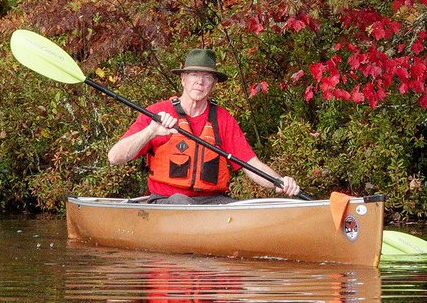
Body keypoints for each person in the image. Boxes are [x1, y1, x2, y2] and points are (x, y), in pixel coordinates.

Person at [107, 48, 301, 202]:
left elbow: (250, 164)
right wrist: (150, 131)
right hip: (168, 201)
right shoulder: (158, 113)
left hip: (211, 201)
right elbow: (115, 157)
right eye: (193, 75)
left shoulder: (222, 118)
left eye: (207, 77)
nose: (200, 82)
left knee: (233, 208)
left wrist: (278, 182)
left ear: (213, 83)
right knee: (181, 202)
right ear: (183, 79)